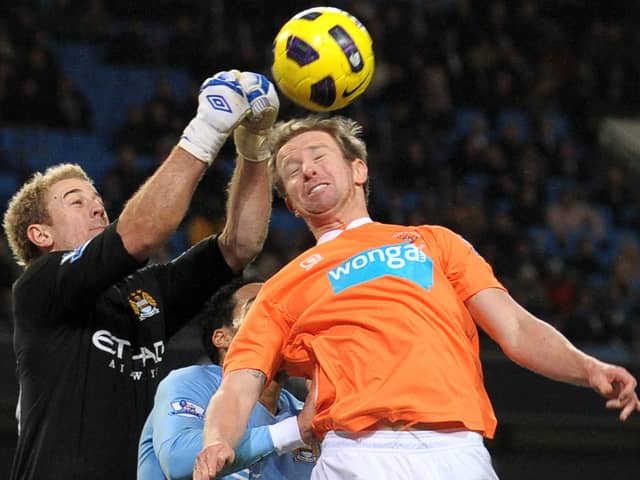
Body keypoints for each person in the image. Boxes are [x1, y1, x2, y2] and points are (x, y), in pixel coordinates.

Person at [192, 115, 640, 480]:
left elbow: (517, 328)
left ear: (358, 169)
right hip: (355, 454)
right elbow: (238, 385)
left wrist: (588, 367)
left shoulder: (434, 243)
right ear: (290, 202)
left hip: (456, 452)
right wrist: (216, 441)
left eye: (319, 156)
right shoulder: (279, 289)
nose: (306, 169)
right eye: (292, 169)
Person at [2, 70, 278, 480]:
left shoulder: (143, 293)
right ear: (40, 234)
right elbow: (143, 232)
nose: (97, 207)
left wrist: (254, 147)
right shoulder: (40, 287)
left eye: (97, 199)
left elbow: (239, 246)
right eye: (76, 201)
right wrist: (207, 127)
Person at [138, 278, 318, 479]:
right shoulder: (192, 383)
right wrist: (293, 431)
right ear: (222, 337)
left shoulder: (303, 411)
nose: (281, 320)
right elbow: (178, 459)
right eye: (259, 308)